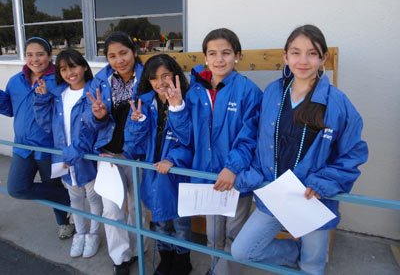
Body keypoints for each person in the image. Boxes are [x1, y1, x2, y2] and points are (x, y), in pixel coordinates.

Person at [231, 25, 369, 275]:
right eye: (295, 53)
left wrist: (325, 181)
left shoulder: (337, 102)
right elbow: (257, 138)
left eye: (312, 53)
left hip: (312, 198)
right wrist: (249, 172)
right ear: (285, 57)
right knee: (243, 250)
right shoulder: (273, 92)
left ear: (323, 58)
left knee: (312, 266)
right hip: (274, 195)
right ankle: (295, 252)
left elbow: (353, 153)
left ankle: (306, 257)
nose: (303, 61)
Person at [167, 28, 263, 275]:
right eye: (213, 53)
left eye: (226, 53)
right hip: (207, 179)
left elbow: (250, 136)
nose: (220, 59)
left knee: (234, 235)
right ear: (205, 58)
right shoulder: (196, 90)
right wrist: (177, 107)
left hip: (235, 178)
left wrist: (232, 167)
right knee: (213, 235)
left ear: (237, 56)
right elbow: (187, 136)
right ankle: (214, 269)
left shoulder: (249, 92)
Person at [85, 31, 150, 275]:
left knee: (138, 208)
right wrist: (98, 116)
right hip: (109, 156)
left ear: (134, 51)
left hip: (139, 156)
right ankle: (120, 259)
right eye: (112, 56)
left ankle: (137, 252)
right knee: (112, 209)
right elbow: (91, 122)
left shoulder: (147, 77)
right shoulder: (101, 80)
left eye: (123, 53)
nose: (119, 60)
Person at [123, 54, 193, 275]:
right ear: (148, 81)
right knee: (160, 220)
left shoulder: (188, 100)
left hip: (177, 173)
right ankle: (166, 257)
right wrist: (138, 125)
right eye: (154, 78)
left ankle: (183, 260)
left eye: (166, 76)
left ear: (175, 75)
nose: (161, 83)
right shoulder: (142, 103)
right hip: (154, 173)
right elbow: (133, 147)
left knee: (180, 222)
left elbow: (191, 140)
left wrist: (173, 158)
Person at [0, 37, 74, 239]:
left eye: (40, 54)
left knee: (52, 186)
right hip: (22, 147)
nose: (35, 59)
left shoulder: (59, 80)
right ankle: (71, 199)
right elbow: (8, 108)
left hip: (48, 148)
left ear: (50, 56)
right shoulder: (16, 81)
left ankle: (64, 223)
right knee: (16, 188)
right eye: (30, 55)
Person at [32, 49, 103, 258]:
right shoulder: (58, 94)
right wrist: (42, 99)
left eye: (73, 66)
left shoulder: (92, 91)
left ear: (84, 67)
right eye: (63, 69)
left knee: (93, 197)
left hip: (86, 157)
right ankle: (80, 233)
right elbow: (47, 124)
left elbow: (93, 127)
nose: (69, 72)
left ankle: (93, 234)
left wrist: (76, 150)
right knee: (75, 199)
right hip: (64, 158)